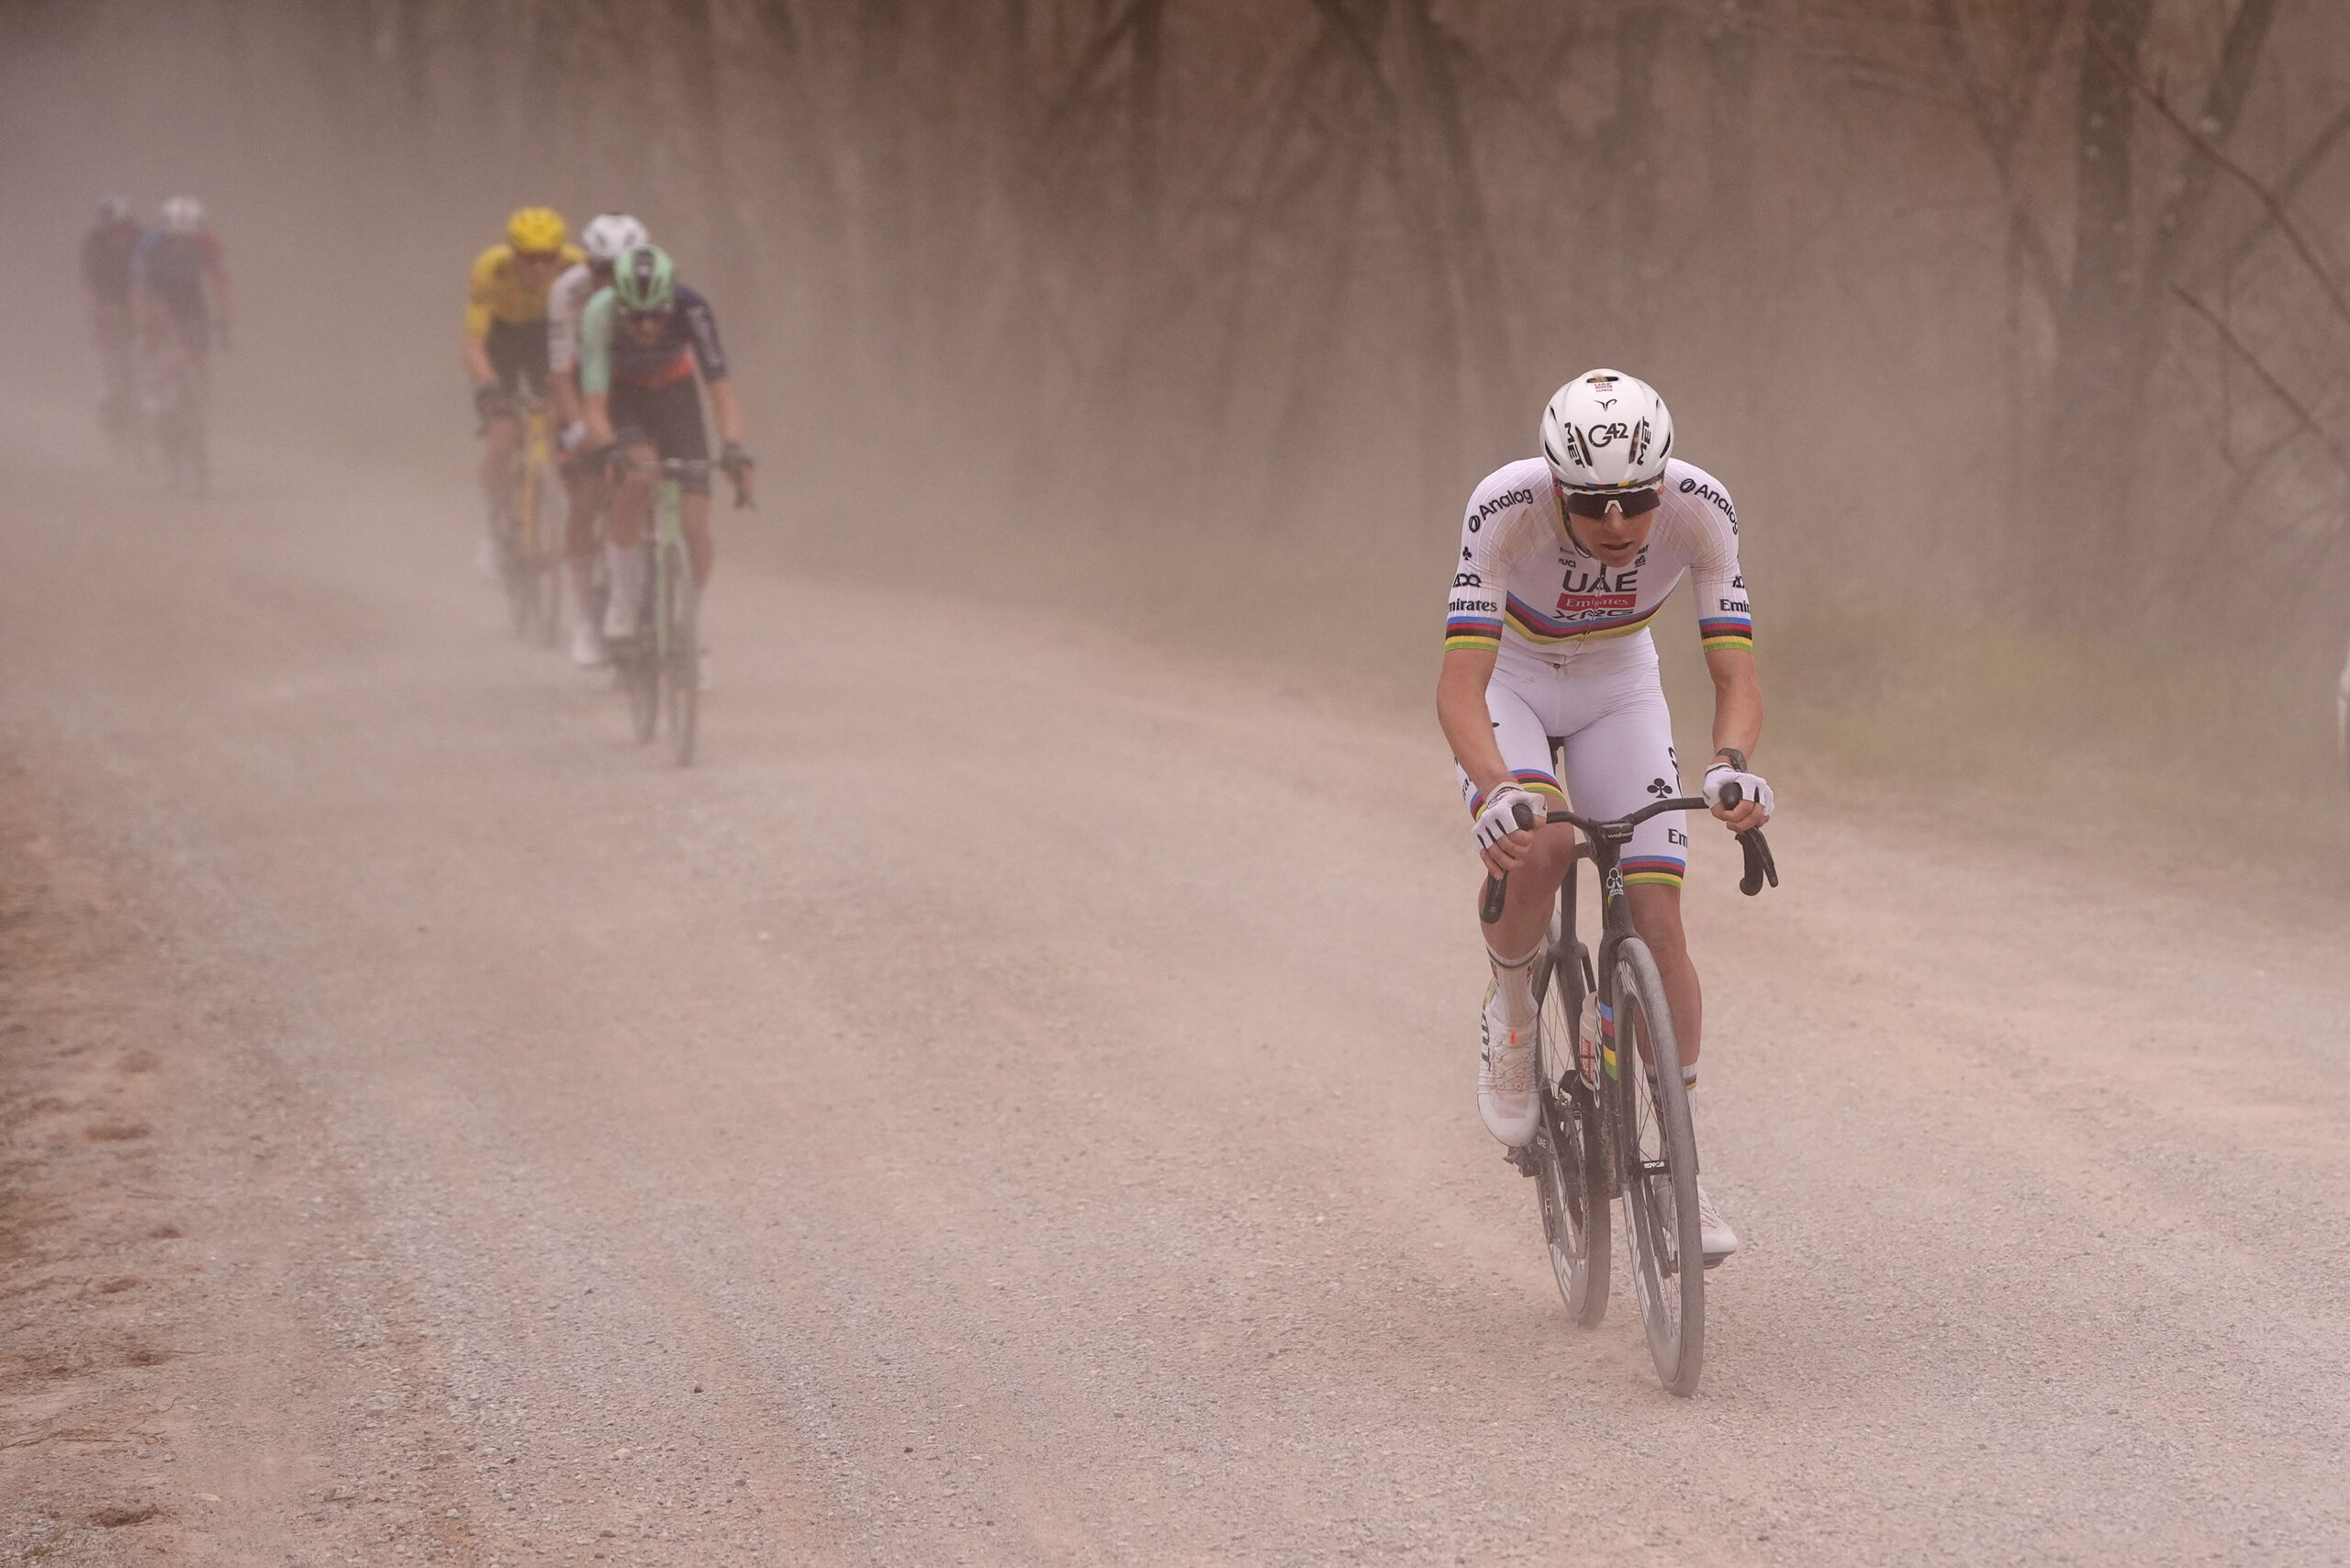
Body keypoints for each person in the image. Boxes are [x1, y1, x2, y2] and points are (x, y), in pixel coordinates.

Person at [1437, 369, 1772, 1264]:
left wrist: (1733, 768)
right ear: (1556, 485)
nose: (1619, 524)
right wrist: (1496, 786)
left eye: (1634, 500)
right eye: (1594, 504)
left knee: (1659, 916)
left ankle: (1683, 1167)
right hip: (1512, 678)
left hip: (1618, 684)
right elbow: (1459, 685)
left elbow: (1734, 675)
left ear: (1661, 482)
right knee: (1540, 842)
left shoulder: (1702, 509)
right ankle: (1512, 1013)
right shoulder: (1504, 506)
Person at [576, 244, 752, 662]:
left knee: (695, 521)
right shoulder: (598, 315)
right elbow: (595, 408)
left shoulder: (693, 309)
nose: (647, 327)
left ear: (670, 302)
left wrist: (731, 446)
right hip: (624, 396)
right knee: (639, 475)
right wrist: (609, 448)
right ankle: (622, 600)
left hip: (677, 394)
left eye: (656, 314)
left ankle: (689, 626)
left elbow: (721, 392)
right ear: (618, 304)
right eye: (635, 317)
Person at [545, 213, 649, 667]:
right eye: (600, 269)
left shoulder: (655, 282)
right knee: (585, 498)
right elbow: (560, 370)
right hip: (579, 385)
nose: (609, 279)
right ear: (588, 264)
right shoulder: (567, 292)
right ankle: (587, 619)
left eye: (618, 268)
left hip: (630, 385)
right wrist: (576, 428)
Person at [463, 207, 585, 577]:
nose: (538, 268)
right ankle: (491, 533)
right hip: (500, 340)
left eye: (548, 258)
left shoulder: (578, 268)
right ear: (513, 254)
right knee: (502, 438)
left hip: (545, 339)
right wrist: (489, 385)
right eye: (529, 259)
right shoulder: (490, 269)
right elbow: (473, 345)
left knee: (560, 421)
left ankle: (558, 506)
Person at [129, 196, 231, 386]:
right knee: (155, 330)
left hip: (189, 290)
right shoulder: (149, 243)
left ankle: (200, 390)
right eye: (175, 239)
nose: (180, 246)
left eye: (187, 240)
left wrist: (224, 321)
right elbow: (138, 290)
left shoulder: (208, 243)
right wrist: (142, 326)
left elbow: (220, 285)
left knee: (200, 347)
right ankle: (150, 384)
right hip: (157, 288)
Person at [80, 196, 144, 440]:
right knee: (102, 342)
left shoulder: (140, 238)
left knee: (146, 339)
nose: (115, 231)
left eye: (120, 226)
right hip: (105, 299)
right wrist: (94, 307)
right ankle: (104, 390)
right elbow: (87, 281)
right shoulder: (94, 241)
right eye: (109, 226)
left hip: (135, 298)